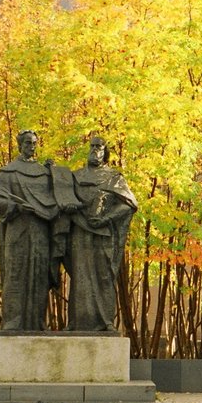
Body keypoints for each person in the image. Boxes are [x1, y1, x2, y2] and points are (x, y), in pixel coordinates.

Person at [57, 137, 138, 331]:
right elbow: (62, 197)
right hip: (79, 231)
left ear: (105, 152)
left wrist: (106, 218)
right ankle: (76, 323)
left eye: (99, 147)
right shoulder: (74, 177)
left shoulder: (113, 177)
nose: (95, 150)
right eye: (92, 146)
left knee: (104, 275)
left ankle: (105, 322)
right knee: (80, 275)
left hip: (103, 233)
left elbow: (129, 204)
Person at [0, 130, 61, 331]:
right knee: (16, 275)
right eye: (28, 142)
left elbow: (58, 198)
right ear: (20, 145)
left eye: (34, 143)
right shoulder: (9, 172)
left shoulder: (44, 172)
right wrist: (15, 206)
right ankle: (13, 323)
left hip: (40, 233)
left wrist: (55, 175)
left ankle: (37, 322)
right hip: (18, 232)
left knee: (39, 276)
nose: (31, 146)